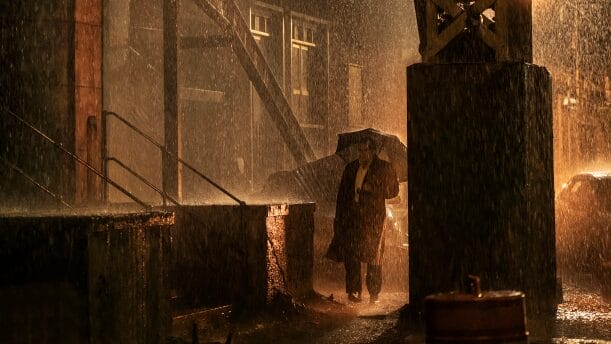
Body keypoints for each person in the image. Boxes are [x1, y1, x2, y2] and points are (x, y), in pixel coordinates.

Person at [325, 137, 399, 303]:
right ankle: (354, 290)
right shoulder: (351, 168)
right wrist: (341, 218)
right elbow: (343, 194)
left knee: (373, 256)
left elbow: (393, 191)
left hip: (374, 219)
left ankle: (373, 293)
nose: (362, 154)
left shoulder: (384, 168)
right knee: (352, 254)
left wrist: (374, 188)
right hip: (353, 218)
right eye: (360, 151)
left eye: (365, 150)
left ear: (373, 151)